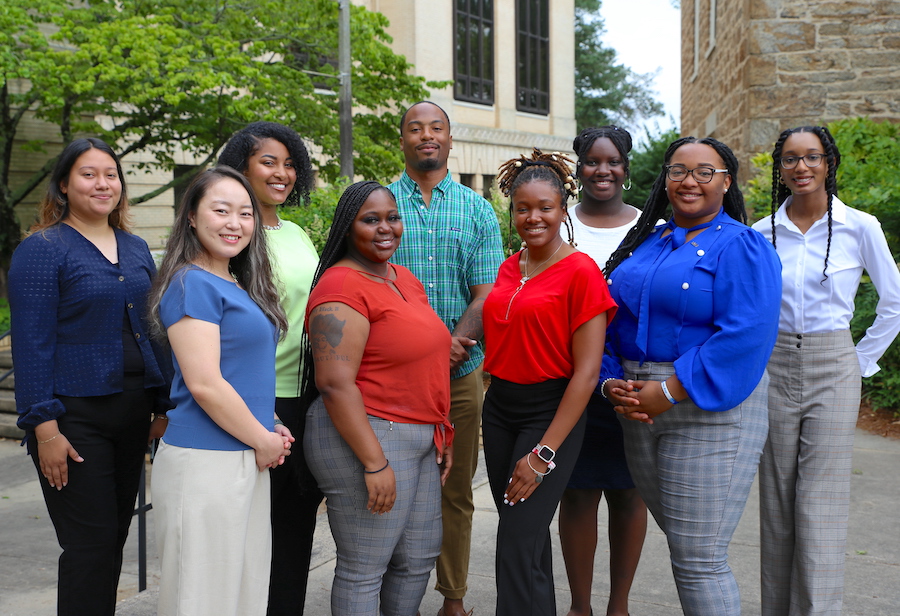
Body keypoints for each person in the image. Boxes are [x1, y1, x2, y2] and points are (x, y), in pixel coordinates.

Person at [600, 136, 781, 616]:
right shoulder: (647, 241)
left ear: (726, 182)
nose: (689, 181)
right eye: (678, 170)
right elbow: (611, 319)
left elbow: (747, 334)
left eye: (705, 172)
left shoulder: (743, 245)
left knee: (700, 557)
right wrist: (611, 379)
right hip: (637, 410)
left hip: (707, 409)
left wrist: (670, 389)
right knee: (685, 546)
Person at [9, 137, 170, 616]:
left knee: (114, 539)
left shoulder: (136, 247)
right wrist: (44, 428)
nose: (103, 183)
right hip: (74, 418)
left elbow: (155, 328)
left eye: (111, 174)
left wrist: (164, 404)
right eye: (88, 174)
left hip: (134, 412)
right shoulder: (43, 250)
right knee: (89, 545)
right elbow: (31, 344)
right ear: (63, 185)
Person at [752, 126, 900, 616]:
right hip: (773, 366)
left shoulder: (861, 226)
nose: (801, 167)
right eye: (790, 159)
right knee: (776, 499)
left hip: (834, 364)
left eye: (811, 157)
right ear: (781, 167)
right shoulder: (761, 234)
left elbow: (894, 302)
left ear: (828, 162)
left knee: (820, 503)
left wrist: (857, 361)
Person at [302, 180, 453, 616]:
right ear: (348, 228)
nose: (385, 228)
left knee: (418, 557)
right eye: (371, 220)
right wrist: (375, 462)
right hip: (369, 434)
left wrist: (442, 429)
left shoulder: (400, 277)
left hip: (419, 436)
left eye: (392, 217)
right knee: (365, 567)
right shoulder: (342, 287)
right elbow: (335, 383)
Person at [147, 166, 291, 616]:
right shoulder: (191, 282)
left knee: (242, 592)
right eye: (221, 210)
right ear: (191, 216)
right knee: (202, 598)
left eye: (245, 213)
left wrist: (271, 424)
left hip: (244, 454)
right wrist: (263, 438)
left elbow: (242, 373)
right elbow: (205, 383)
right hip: (205, 465)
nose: (235, 223)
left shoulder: (235, 282)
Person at [482, 149, 616, 616]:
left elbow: (587, 371)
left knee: (515, 541)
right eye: (523, 208)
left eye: (545, 207)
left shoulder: (581, 272)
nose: (533, 217)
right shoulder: (508, 266)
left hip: (549, 411)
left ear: (563, 209)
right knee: (527, 537)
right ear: (511, 209)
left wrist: (543, 454)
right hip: (500, 408)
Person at [388, 100, 503, 616]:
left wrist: (450, 344)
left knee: (455, 489)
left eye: (436, 128)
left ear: (451, 140)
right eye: (416, 128)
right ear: (404, 139)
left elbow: (487, 294)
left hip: (460, 375)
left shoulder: (476, 209)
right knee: (395, 487)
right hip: (390, 378)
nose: (426, 136)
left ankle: (452, 598)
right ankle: (394, 594)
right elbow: (367, 284)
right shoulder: (380, 203)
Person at [218, 121, 322, 616]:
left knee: (296, 528)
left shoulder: (297, 232)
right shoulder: (233, 234)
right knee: (250, 533)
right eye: (268, 162)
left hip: (307, 396)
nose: (282, 172)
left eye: (289, 163)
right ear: (241, 166)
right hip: (254, 400)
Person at [558, 126, 647, 616]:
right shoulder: (561, 224)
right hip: (570, 378)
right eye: (592, 161)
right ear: (579, 167)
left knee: (631, 494)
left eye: (612, 161)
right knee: (577, 494)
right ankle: (580, 607)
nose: (602, 170)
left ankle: (619, 606)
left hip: (631, 380)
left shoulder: (650, 227)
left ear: (626, 167)